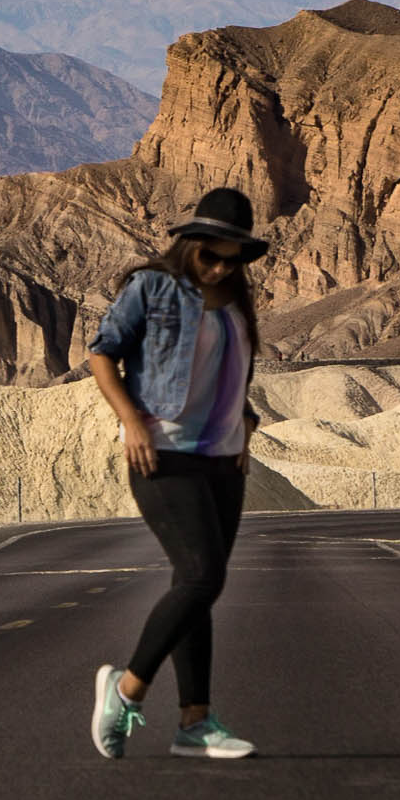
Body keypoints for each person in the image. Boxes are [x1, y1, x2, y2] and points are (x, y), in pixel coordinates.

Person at [83, 186, 267, 761]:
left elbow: (229, 370)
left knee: (196, 585)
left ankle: (195, 722)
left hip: (223, 458)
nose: (218, 267)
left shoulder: (235, 301)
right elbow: (101, 353)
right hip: (162, 453)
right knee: (201, 578)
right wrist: (131, 420)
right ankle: (127, 688)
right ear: (188, 245)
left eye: (230, 260)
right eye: (209, 255)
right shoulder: (153, 287)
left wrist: (246, 419)